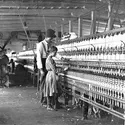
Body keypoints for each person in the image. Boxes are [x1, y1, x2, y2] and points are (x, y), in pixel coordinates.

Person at [36, 29, 56, 105]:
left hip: (47, 63)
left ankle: (47, 100)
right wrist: (41, 69)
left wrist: (61, 58)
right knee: (42, 83)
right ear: (48, 37)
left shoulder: (50, 44)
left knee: (47, 83)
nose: (52, 39)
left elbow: (53, 52)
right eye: (51, 38)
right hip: (43, 64)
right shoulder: (41, 44)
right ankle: (42, 100)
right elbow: (38, 58)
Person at [45, 46, 58, 110]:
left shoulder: (50, 59)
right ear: (52, 52)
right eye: (55, 52)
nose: (56, 54)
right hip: (51, 75)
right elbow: (53, 69)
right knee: (50, 90)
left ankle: (51, 104)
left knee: (50, 90)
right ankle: (49, 105)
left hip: (50, 74)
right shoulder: (49, 59)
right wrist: (62, 70)